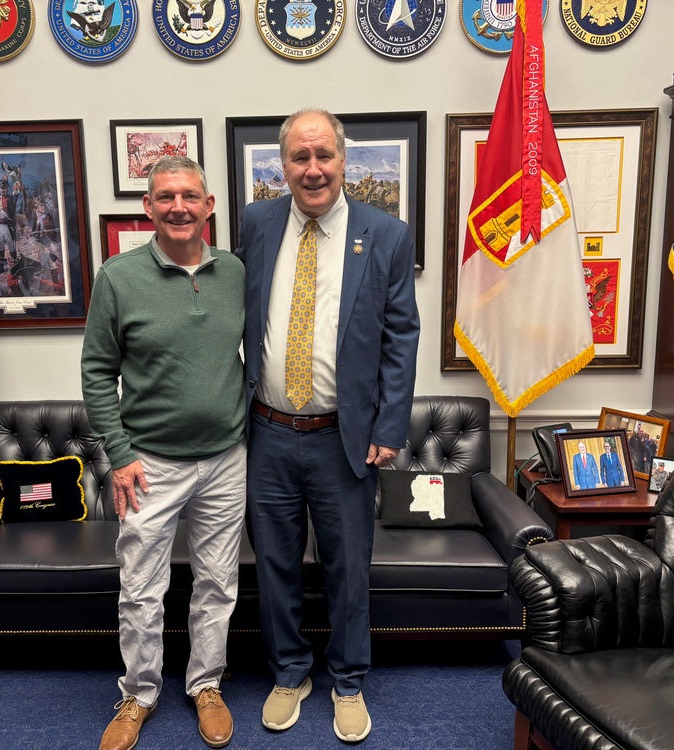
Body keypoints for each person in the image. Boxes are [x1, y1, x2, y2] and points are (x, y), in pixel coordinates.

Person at [236, 108, 420, 743]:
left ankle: (347, 679)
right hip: (266, 433)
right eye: (298, 157)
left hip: (344, 437)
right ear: (281, 166)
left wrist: (391, 425)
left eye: (324, 156)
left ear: (345, 160)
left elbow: (402, 337)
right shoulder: (257, 224)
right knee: (275, 565)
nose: (312, 169)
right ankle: (290, 672)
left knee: (348, 568)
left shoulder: (387, 234)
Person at [81, 156, 246, 750]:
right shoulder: (119, 277)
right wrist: (119, 454)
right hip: (147, 462)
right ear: (148, 208)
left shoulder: (235, 272)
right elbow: (97, 372)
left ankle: (206, 684)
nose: (179, 206)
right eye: (166, 196)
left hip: (227, 458)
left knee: (217, 582)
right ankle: (139, 694)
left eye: (190, 196)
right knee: (142, 587)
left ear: (209, 207)